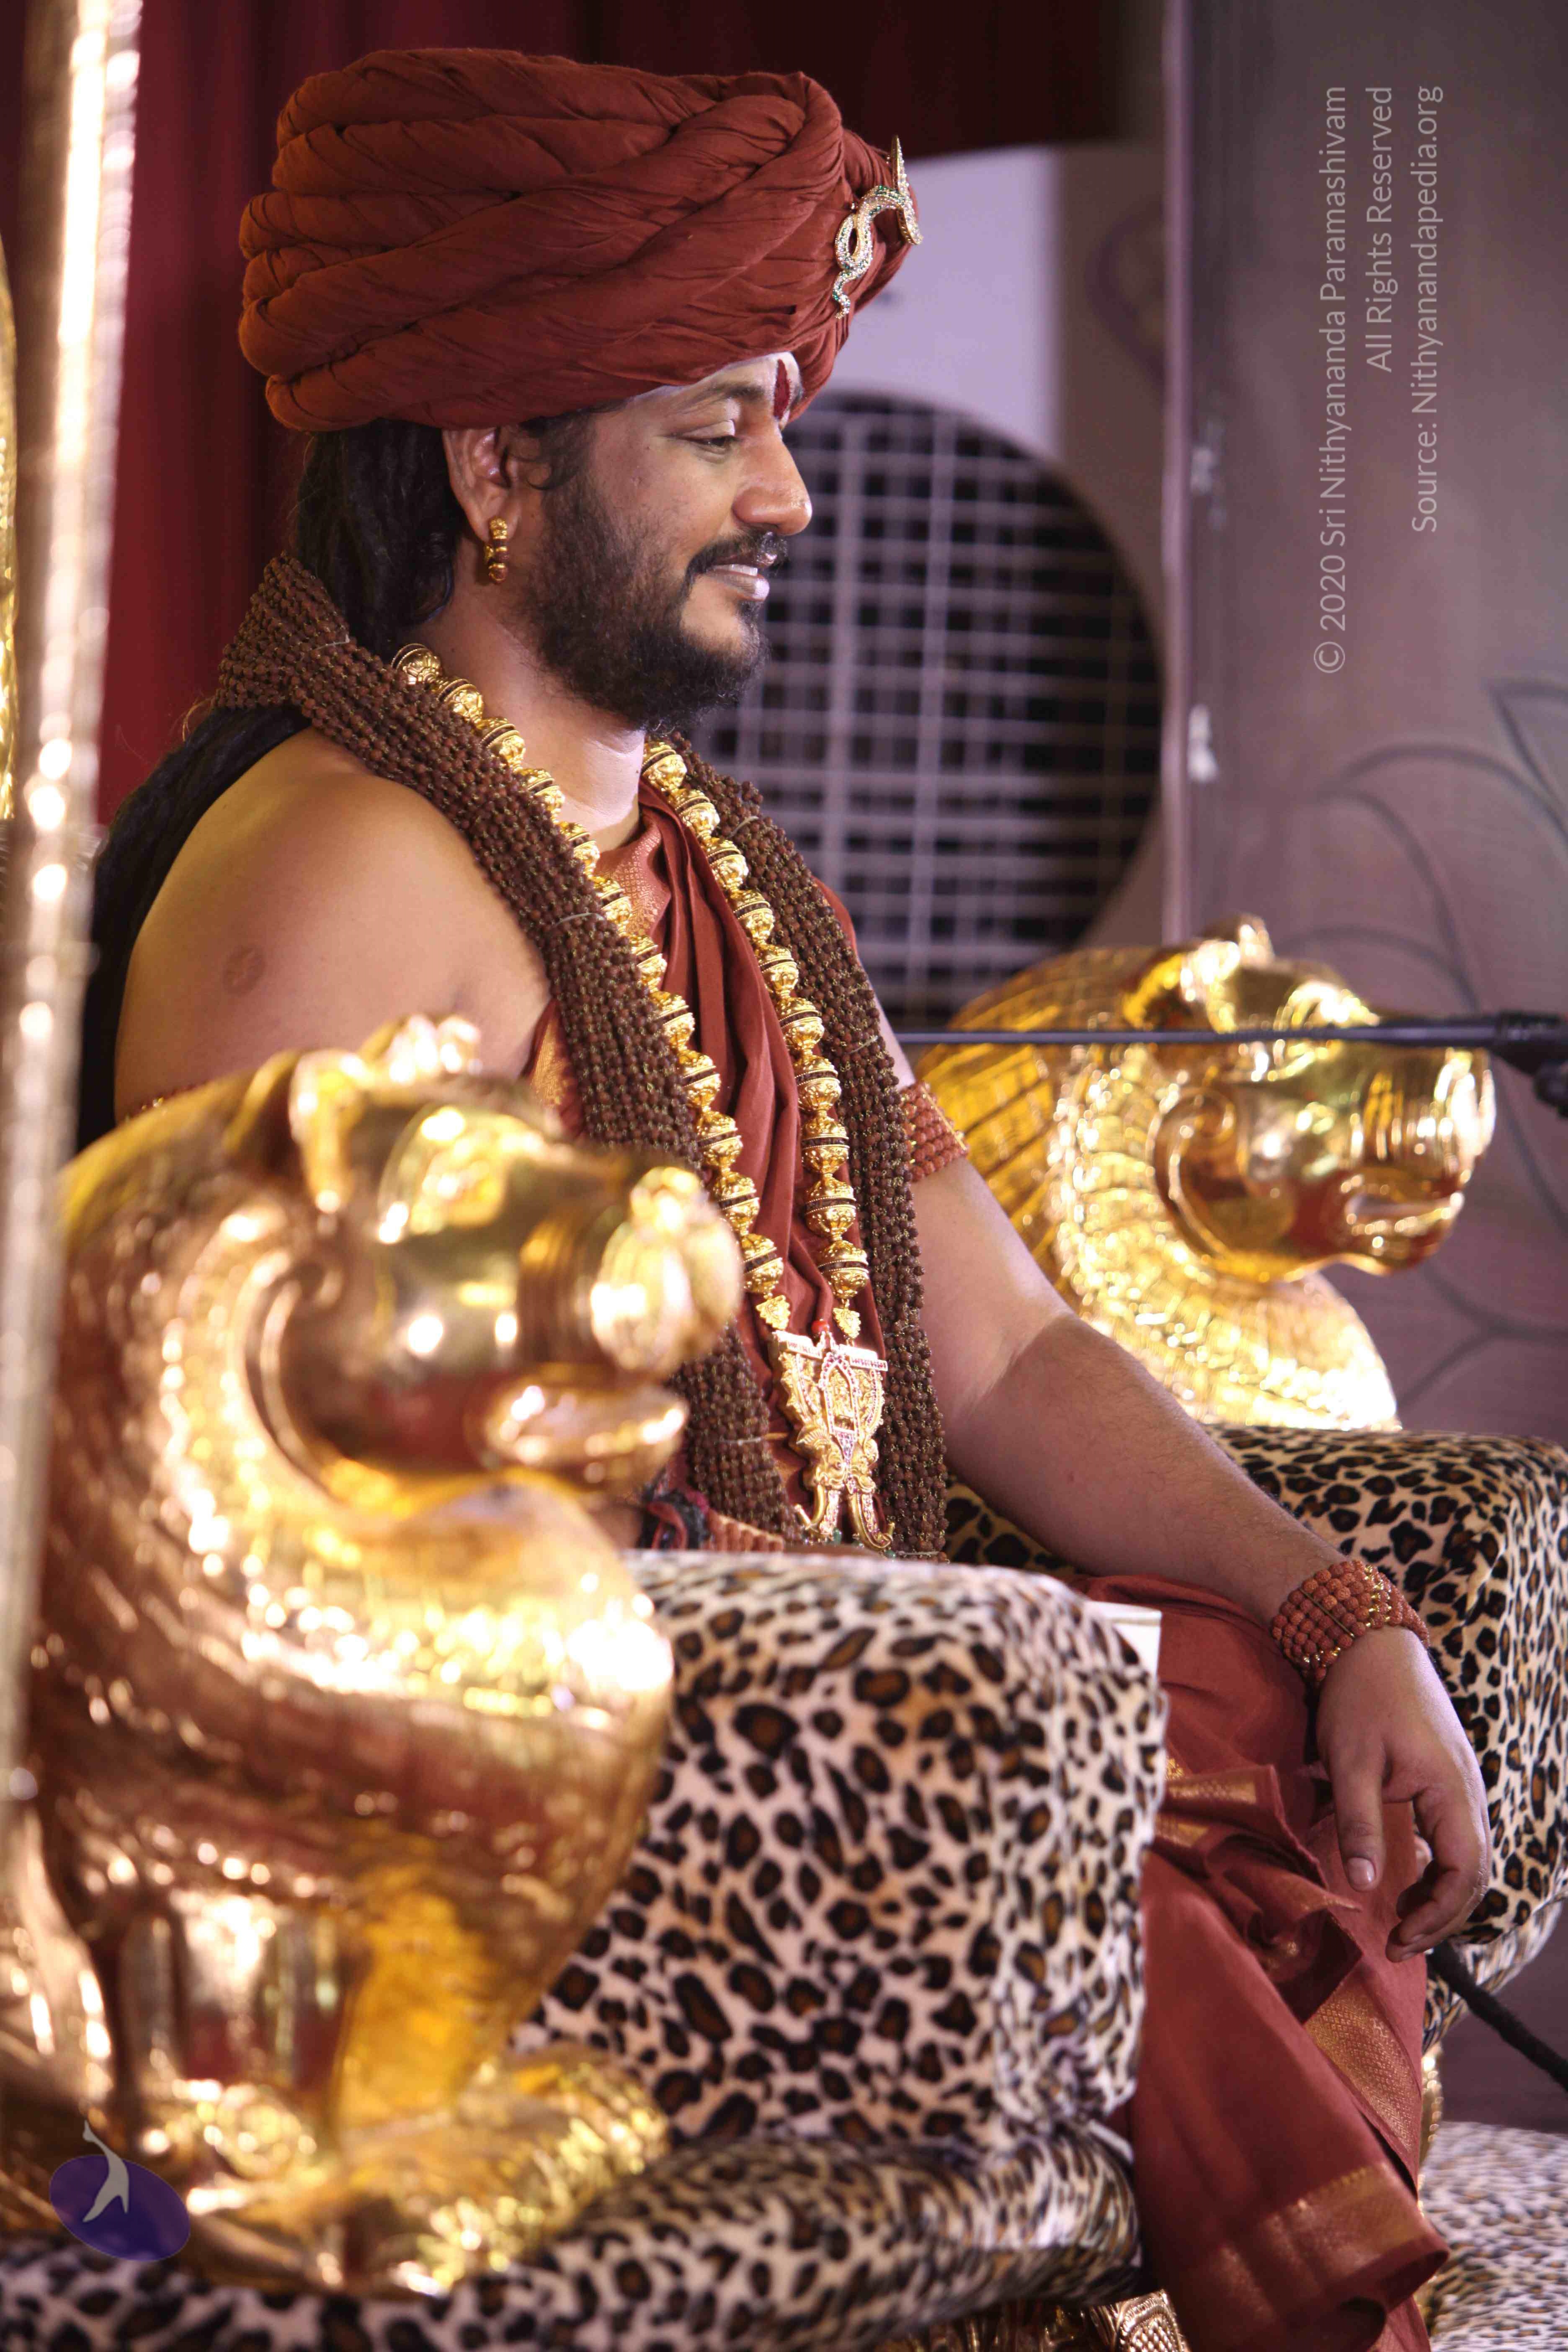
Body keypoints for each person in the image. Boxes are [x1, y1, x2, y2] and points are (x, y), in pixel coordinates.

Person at [78, 49, 1488, 2352]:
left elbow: (1001, 1347)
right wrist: (825, 1677)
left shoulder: (721, 873)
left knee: (1238, 1706)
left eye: (781, 420)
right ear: (496, 466)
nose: (792, 495)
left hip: (823, 1716)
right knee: (1065, 1778)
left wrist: (1335, 1608)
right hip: (524, 1809)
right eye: (717, 428)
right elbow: (256, 1553)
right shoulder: (341, 874)